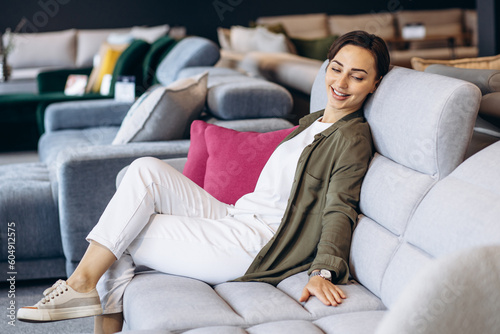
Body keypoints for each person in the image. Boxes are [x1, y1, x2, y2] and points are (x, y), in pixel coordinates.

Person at [18, 30, 390, 334]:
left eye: (357, 76)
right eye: (336, 69)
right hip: (234, 216)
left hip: (256, 244)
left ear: (374, 83)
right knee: (145, 169)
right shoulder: (312, 123)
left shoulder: (352, 138)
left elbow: (340, 204)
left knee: (120, 235)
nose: (341, 83)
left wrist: (323, 270)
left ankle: (83, 288)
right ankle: (82, 286)